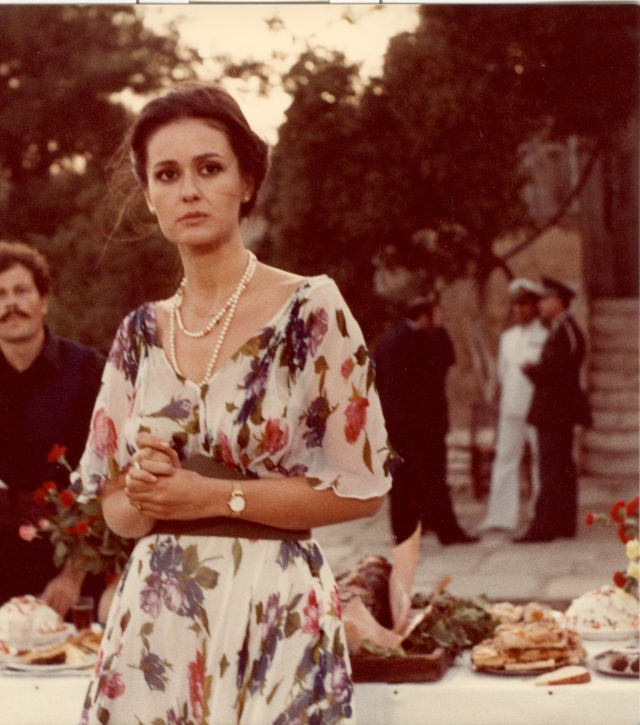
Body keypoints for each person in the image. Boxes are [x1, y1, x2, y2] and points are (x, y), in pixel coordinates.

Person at [77, 83, 392, 724]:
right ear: (149, 195)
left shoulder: (310, 309)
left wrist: (213, 497)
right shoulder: (138, 334)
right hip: (158, 625)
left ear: (246, 182)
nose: (189, 190)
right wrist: (145, 491)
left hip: (275, 609)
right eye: (167, 175)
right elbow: (116, 513)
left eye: (209, 168)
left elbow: (363, 492)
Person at [0, 241, 106, 616]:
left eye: (21, 291)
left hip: (80, 555)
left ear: (43, 301)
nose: (11, 304)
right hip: (2, 557)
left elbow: (108, 475)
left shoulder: (89, 371)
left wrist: (74, 575)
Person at [374, 296, 478, 546]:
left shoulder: (388, 339)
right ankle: (446, 531)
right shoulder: (420, 340)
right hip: (422, 425)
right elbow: (446, 359)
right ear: (424, 317)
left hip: (397, 424)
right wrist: (439, 330)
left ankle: (404, 531)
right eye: (436, 315)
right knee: (433, 478)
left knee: (403, 481)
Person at [516, 276, 591, 543]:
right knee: (559, 468)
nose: (541, 305)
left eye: (546, 299)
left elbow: (560, 370)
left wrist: (532, 370)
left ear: (559, 301)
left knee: (551, 469)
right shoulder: (560, 329)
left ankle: (544, 526)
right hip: (555, 410)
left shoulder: (566, 330)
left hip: (556, 411)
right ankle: (561, 523)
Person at [479, 279, 547, 534]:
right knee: (505, 460)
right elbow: (502, 374)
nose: (519, 310)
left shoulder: (545, 336)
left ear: (535, 306)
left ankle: (539, 515)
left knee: (540, 462)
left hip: (537, 408)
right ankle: (501, 517)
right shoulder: (507, 338)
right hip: (511, 408)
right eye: (516, 305)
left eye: (525, 305)